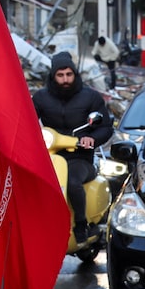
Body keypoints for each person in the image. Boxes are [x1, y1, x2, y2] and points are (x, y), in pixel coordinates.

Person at [32, 51, 112, 244]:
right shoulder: (41, 97)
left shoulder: (90, 97)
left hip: (80, 158)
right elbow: (27, 122)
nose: (65, 79)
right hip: (50, 155)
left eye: (69, 74)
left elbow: (106, 128)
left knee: (73, 181)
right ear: (53, 76)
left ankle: (81, 224)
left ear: (75, 74)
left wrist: (92, 139)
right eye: (60, 75)